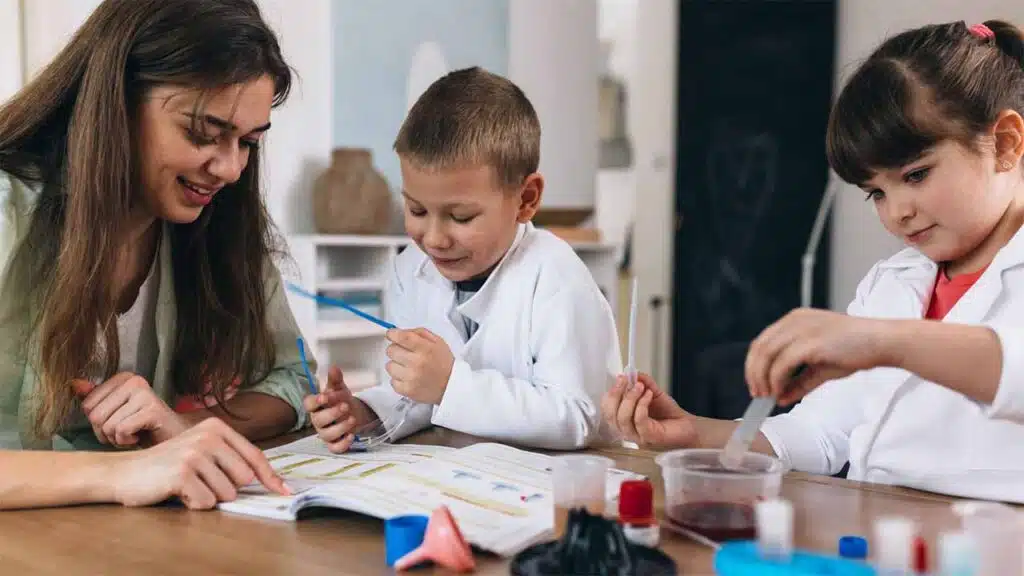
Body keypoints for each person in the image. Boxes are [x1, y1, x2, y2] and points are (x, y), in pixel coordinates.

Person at [603, 20, 1024, 503]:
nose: (898, 211)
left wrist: (888, 343)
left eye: (916, 174)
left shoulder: (892, 327)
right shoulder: (893, 284)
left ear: (1007, 143)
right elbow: (822, 434)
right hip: (883, 537)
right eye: (877, 193)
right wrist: (692, 433)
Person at [0, 0, 312, 510]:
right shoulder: (8, 213)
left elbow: (293, 379)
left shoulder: (219, 228)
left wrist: (182, 430)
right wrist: (121, 472)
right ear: (115, 103)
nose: (231, 169)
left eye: (249, 142)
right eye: (203, 134)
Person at [305, 67, 621, 452]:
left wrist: (451, 384)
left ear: (526, 200)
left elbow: (576, 415)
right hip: (470, 479)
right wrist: (365, 412)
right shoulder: (410, 269)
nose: (434, 239)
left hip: (562, 487)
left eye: (461, 217)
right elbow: (422, 398)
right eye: (417, 210)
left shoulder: (555, 275)